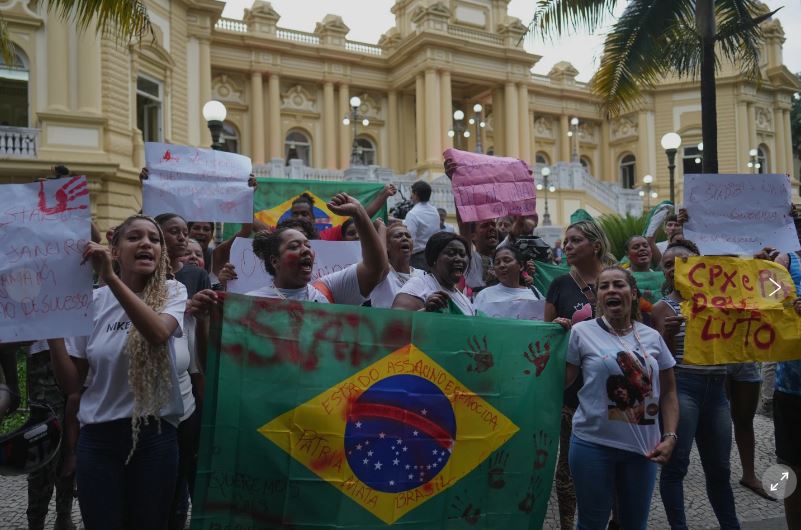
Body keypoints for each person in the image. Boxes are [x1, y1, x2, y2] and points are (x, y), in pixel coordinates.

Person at [47, 215, 187, 530]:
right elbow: (72, 383)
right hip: (98, 440)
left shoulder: (172, 291)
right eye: (134, 237)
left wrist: (110, 278)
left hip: (155, 437)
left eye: (154, 238)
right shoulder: (90, 303)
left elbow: (157, 334)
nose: (146, 243)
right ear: (115, 248)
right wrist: (52, 328)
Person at [566, 266, 678, 529]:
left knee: (634, 525)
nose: (611, 290)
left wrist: (671, 436)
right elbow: (561, 382)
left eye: (619, 284)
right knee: (591, 524)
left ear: (633, 292)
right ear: (599, 297)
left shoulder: (652, 337)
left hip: (643, 450)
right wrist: (551, 339)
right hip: (593, 444)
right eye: (604, 286)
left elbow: (670, 391)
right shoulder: (580, 333)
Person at [653, 240, 740, 530]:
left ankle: (731, 525)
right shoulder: (662, 309)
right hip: (682, 389)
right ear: (663, 272)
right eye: (668, 264)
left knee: (720, 469)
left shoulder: (722, 303)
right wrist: (667, 335)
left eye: (683, 261)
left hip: (717, 391)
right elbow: (657, 363)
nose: (675, 268)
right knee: (676, 467)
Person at [190, 193, 387, 308]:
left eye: (308, 245)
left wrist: (359, 212)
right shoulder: (251, 304)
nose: (305, 250)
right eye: (294, 246)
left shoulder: (327, 290)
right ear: (274, 261)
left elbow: (376, 267)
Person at [544, 219, 616, 530]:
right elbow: (546, 337)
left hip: (614, 389)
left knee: (615, 459)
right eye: (566, 241)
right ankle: (567, 524)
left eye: (575, 241)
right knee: (569, 465)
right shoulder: (560, 285)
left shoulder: (616, 280)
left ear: (595, 245)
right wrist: (558, 328)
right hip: (572, 391)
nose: (567, 246)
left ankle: (615, 518)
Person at [155, 213, 210, 530]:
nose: (180, 237)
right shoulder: (131, 282)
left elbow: (196, 348)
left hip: (185, 392)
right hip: (147, 403)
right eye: (171, 231)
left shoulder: (192, 279)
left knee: (183, 470)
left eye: (184, 232)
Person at [25, 340, 76, 530]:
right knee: (43, 443)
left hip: (80, 348)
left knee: (72, 443)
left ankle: (64, 515)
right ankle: (36, 522)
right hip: (42, 355)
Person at [392, 232, 474, 315]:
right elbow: (396, 322)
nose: (458, 259)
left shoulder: (465, 301)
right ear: (434, 258)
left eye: (462, 255)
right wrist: (426, 312)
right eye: (451, 253)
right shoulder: (419, 285)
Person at [287, 184, 396, 241]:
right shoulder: (281, 236)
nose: (299, 217)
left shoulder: (328, 235)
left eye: (304, 214)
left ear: (313, 218)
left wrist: (384, 195)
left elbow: (361, 218)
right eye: (295, 214)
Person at [474, 246, 544, 319]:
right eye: (497, 263)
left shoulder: (535, 292)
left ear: (521, 266)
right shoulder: (484, 295)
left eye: (507, 260)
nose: (501, 265)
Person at [369, 221, 425, 308]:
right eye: (398, 236)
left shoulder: (423, 275)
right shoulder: (380, 274)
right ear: (387, 246)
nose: (404, 238)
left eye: (408, 236)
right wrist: (381, 229)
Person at [403, 180, 441, 271]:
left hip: (417, 258)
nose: (410, 196)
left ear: (415, 193)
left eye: (411, 193)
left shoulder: (413, 213)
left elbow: (409, 239)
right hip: (432, 254)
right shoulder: (434, 211)